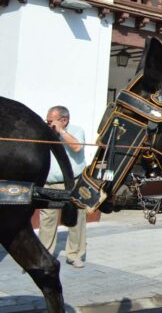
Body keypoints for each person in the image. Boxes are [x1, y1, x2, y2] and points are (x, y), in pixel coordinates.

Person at [39, 105, 88, 268]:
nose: (48, 123)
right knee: (47, 220)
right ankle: (43, 256)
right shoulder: (46, 132)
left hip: (73, 182)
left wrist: (61, 131)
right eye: (47, 120)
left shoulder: (76, 130)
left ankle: (74, 255)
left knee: (75, 219)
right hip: (50, 183)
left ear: (64, 120)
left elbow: (76, 147)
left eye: (50, 120)